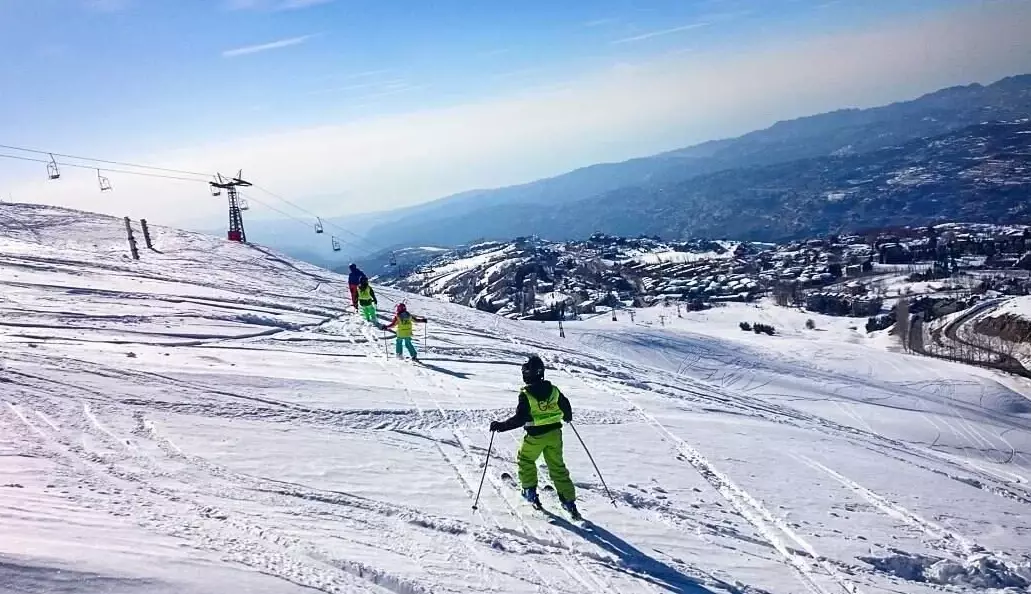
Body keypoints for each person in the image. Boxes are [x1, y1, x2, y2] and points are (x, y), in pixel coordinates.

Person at [489, 355, 579, 519]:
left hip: (536, 436)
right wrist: (567, 416)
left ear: (527, 374)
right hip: (555, 435)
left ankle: (529, 491)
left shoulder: (526, 394)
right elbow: (565, 404)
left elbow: (521, 418)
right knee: (557, 467)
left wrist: (501, 426)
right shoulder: (553, 390)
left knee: (526, 460)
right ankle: (568, 501)